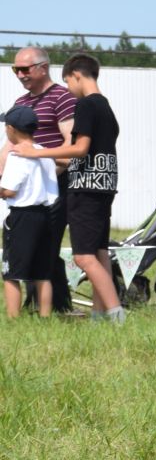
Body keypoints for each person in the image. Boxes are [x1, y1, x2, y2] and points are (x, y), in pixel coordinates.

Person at [17, 54, 122, 321]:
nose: (68, 88)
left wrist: (37, 153)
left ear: (76, 75)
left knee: (83, 257)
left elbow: (80, 148)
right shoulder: (105, 106)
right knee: (99, 253)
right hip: (105, 186)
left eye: (68, 82)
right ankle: (99, 315)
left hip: (85, 187)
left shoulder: (85, 105)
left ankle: (116, 314)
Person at [10, 46, 75, 312]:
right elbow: (11, 144)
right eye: (15, 70)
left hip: (55, 186)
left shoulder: (63, 98)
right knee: (28, 245)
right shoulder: (21, 102)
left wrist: (44, 177)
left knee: (46, 245)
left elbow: (71, 145)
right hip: (26, 190)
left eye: (24, 69)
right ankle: (43, 304)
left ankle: (52, 306)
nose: (20, 75)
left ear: (43, 67)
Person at [2, 103, 58, 318]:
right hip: (45, 215)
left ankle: (13, 318)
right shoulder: (44, 152)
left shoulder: (17, 155)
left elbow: (9, 190)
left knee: (12, 273)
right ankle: (45, 316)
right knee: (42, 273)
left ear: (11, 129)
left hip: (21, 216)